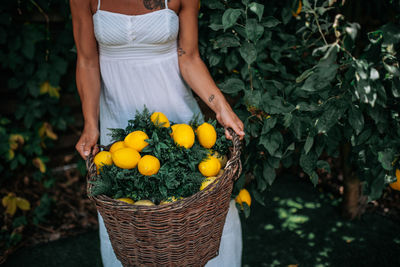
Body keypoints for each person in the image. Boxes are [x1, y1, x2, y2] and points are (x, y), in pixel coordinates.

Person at [70, 0, 245, 266]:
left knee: (197, 213)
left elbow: (189, 57)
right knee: (130, 223)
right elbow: (87, 62)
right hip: (119, 127)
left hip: (180, 124)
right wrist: (90, 124)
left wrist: (221, 107)